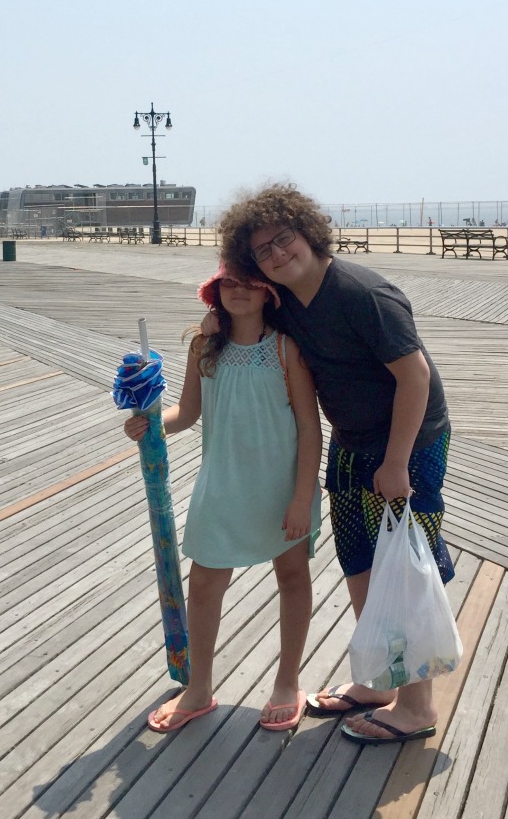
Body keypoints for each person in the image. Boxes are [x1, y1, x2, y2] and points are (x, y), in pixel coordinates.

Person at [215, 183, 454, 746]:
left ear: (309, 233)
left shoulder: (363, 294)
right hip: (349, 440)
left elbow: (414, 377)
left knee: (405, 569)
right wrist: (212, 329)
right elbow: (239, 314)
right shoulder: (289, 300)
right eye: (262, 251)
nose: (276, 254)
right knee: (361, 564)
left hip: (408, 442)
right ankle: (380, 682)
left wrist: (396, 462)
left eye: (284, 239)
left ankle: (416, 707)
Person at [125, 264, 323, 733]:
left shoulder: (285, 348)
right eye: (228, 283)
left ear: (269, 293)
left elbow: (310, 428)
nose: (238, 291)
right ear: (215, 293)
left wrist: (301, 498)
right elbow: (188, 412)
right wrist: (152, 423)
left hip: (282, 486)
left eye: (249, 283)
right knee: (204, 583)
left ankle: (286, 681)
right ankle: (198, 687)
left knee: (293, 576)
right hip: (222, 483)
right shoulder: (203, 347)